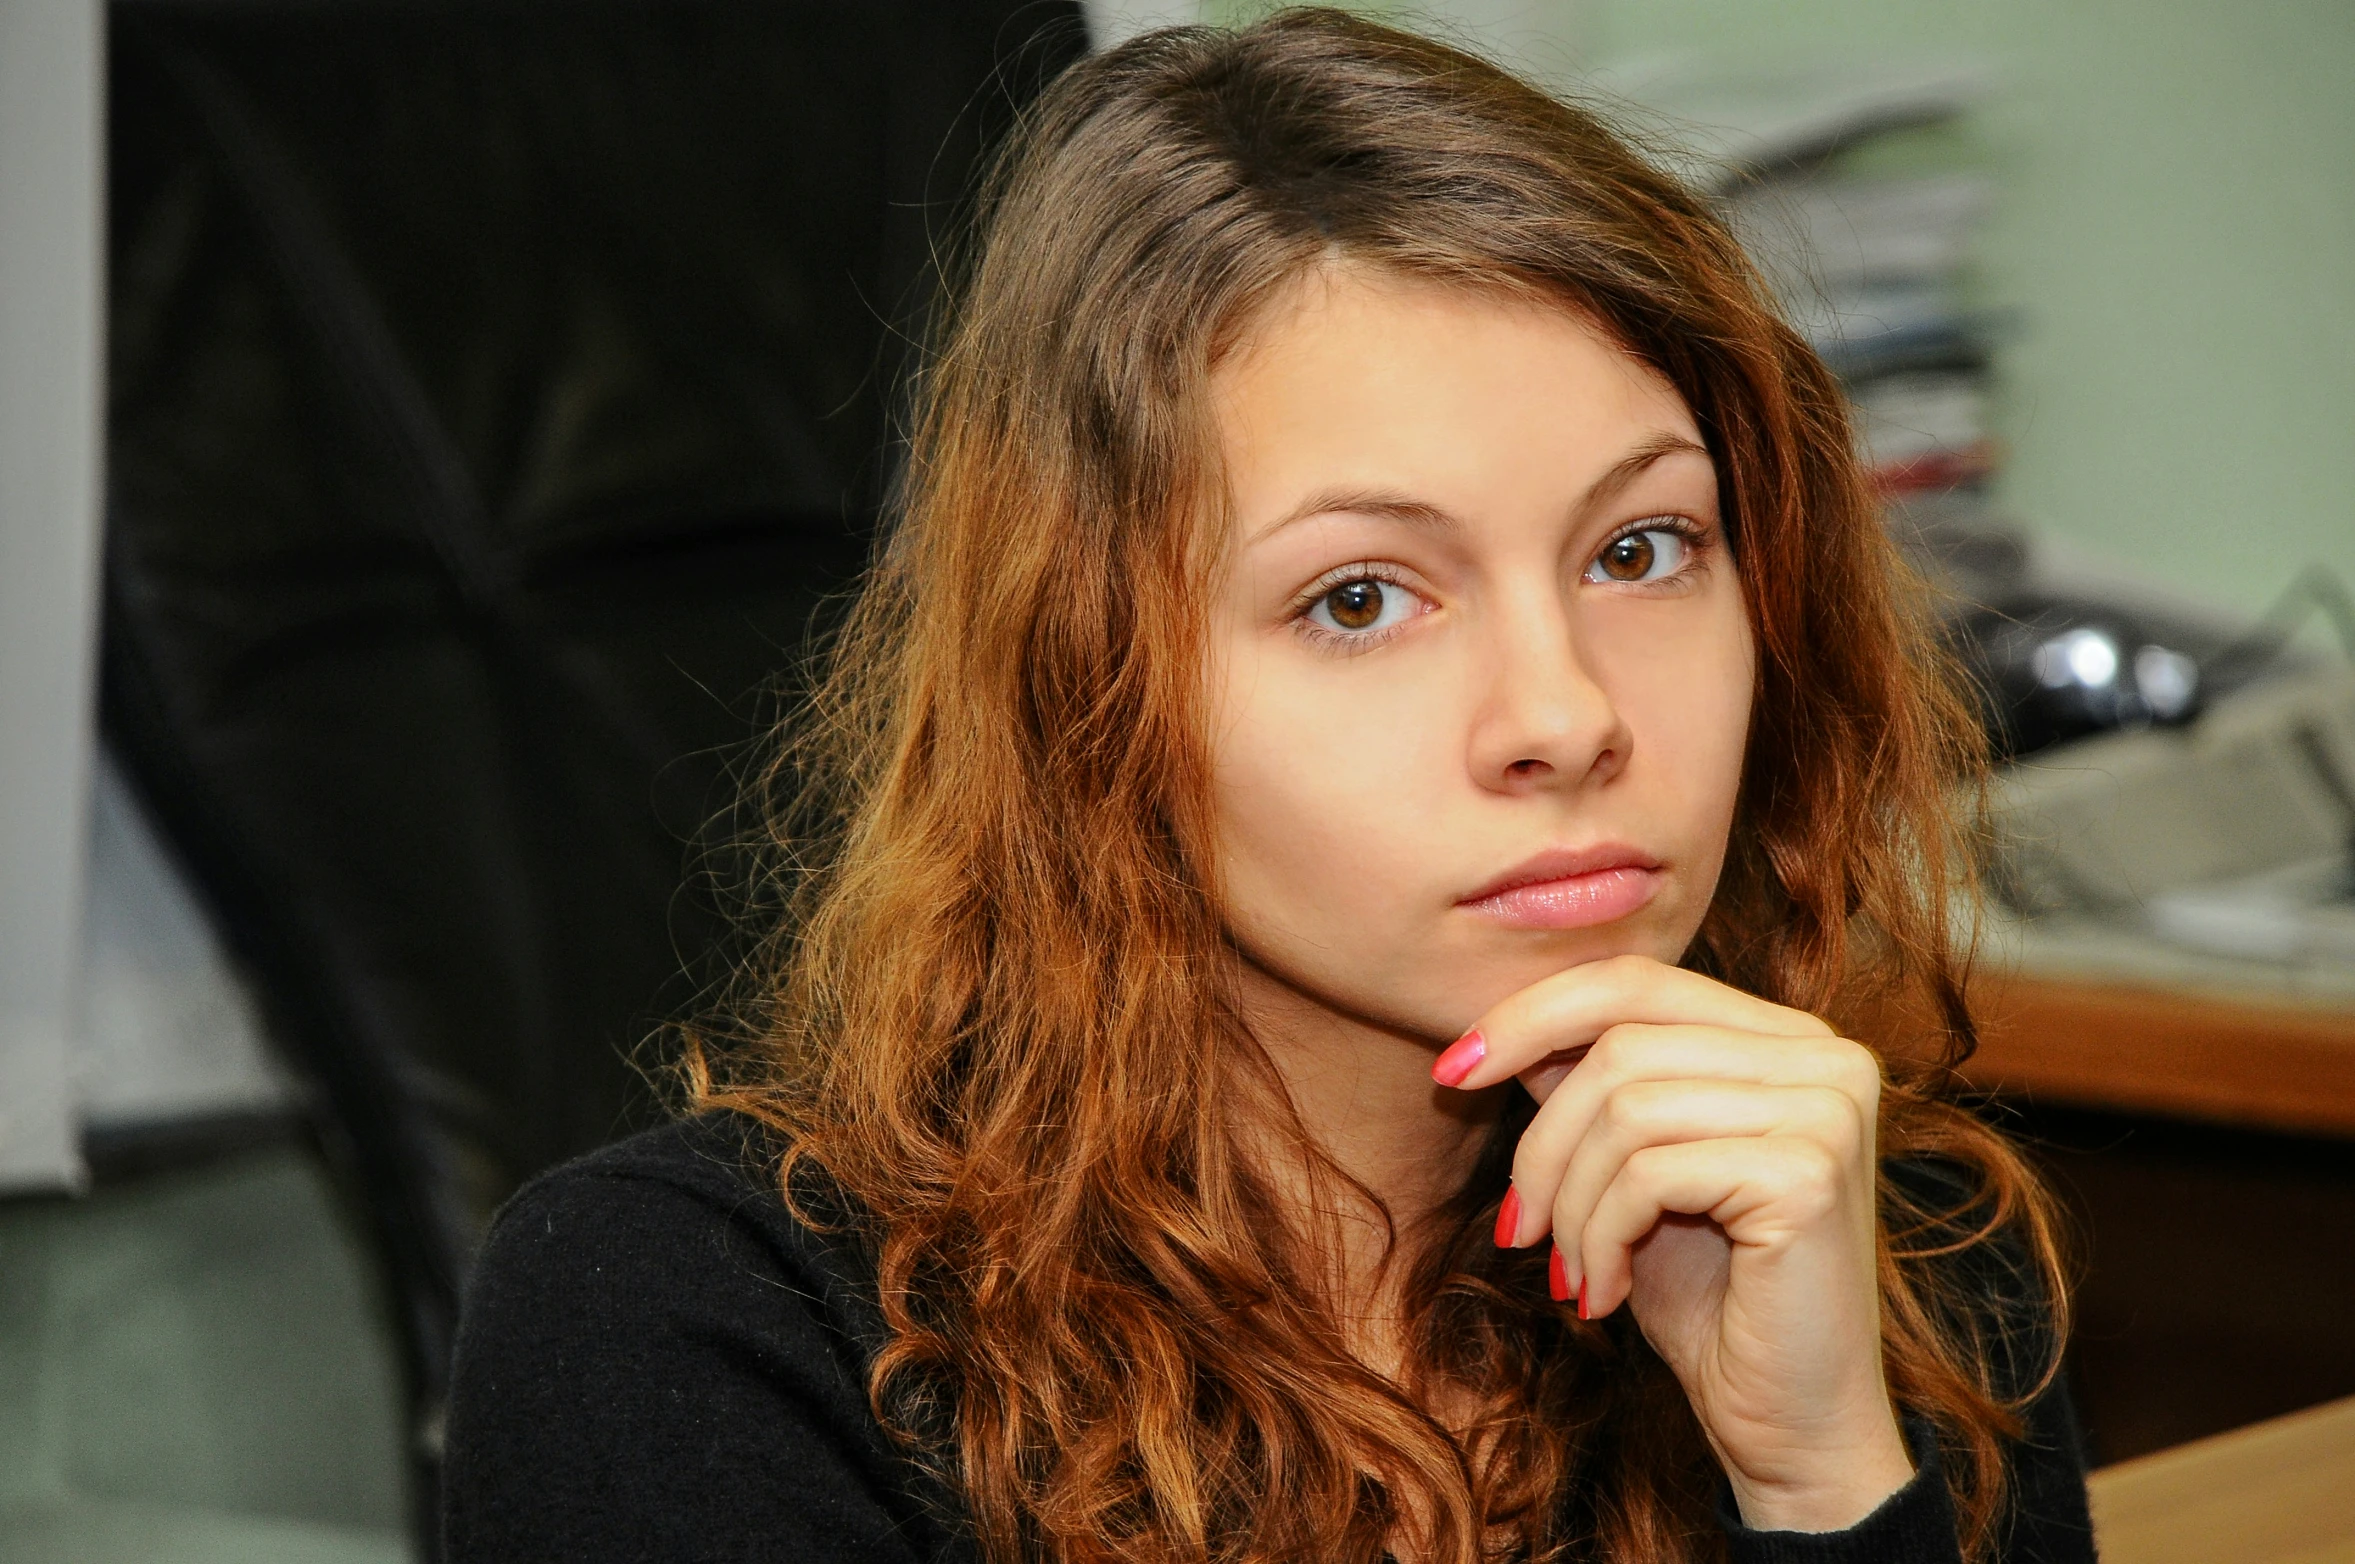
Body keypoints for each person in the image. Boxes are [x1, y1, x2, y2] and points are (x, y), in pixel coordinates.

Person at [440, 11, 2096, 1562]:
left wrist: (1817, 1483)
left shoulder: (1867, 1233)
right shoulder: (693, 1328)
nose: (1564, 713)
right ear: (1089, 688)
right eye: (1359, 597)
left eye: (1639, 548)